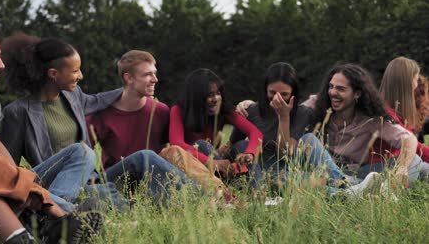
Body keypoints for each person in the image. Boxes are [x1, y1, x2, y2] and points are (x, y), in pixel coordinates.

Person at [0, 34, 189, 205]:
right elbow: (8, 167)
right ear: (53, 74)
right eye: (75, 71)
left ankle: (204, 200)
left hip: (92, 178)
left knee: (144, 157)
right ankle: (61, 208)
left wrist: (132, 89)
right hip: (58, 183)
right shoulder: (17, 112)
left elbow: (98, 100)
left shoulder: (73, 97)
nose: (80, 76)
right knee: (83, 155)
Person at [0, 20, 93, 212]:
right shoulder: (16, 110)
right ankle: (68, 214)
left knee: (82, 152)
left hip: (6, 183)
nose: (1, 65)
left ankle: (52, 210)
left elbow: (5, 161)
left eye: (0, 56)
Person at [232, 63, 382, 196]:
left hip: (290, 167)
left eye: (284, 94)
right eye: (272, 92)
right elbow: (234, 145)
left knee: (308, 141)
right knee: (287, 178)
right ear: (265, 90)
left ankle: (345, 184)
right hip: (264, 172)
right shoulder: (250, 111)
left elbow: (285, 153)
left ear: (293, 93)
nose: (277, 98)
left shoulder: (302, 113)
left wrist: (283, 117)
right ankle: (350, 193)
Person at [0, 117, 102, 244]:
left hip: (4, 178)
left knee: (82, 151)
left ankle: (43, 218)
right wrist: (42, 198)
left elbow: (0, 163)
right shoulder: (18, 110)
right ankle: (58, 217)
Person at [304, 63, 422, 185]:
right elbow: (294, 119)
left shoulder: (370, 118)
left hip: (355, 172)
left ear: (357, 93)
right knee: (308, 139)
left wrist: (401, 168)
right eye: (331, 86)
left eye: (341, 89)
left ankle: (356, 186)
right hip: (321, 170)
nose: (333, 92)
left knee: (415, 161)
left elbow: (408, 139)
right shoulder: (316, 104)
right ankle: (355, 187)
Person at [169, 68, 263, 178]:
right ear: (196, 97)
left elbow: (255, 132)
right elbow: (177, 143)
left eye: (218, 93)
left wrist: (249, 153)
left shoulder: (224, 110)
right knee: (201, 144)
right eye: (210, 95)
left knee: (243, 145)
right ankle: (223, 186)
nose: (216, 99)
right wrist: (210, 162)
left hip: (219, 163)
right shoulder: (179, 110)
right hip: (196, 166)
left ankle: (257, 190)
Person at [86, 50, 169, 168]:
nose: (155, 79)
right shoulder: (100, 116)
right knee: (144, 156)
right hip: (117, 179)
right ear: (129, 78)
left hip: (154, 178)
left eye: (154, 73)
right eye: (147, 74)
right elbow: (82, 153)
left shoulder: (161, 111)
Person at [379, 57, 429, 174]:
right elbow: (412, 147)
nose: (417, 85)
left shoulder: (397, 112)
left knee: (423, 167)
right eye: (416, 80)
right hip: (381, 168)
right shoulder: (385, 114)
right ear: (406, 83)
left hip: (396, 165)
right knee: (416, 162)